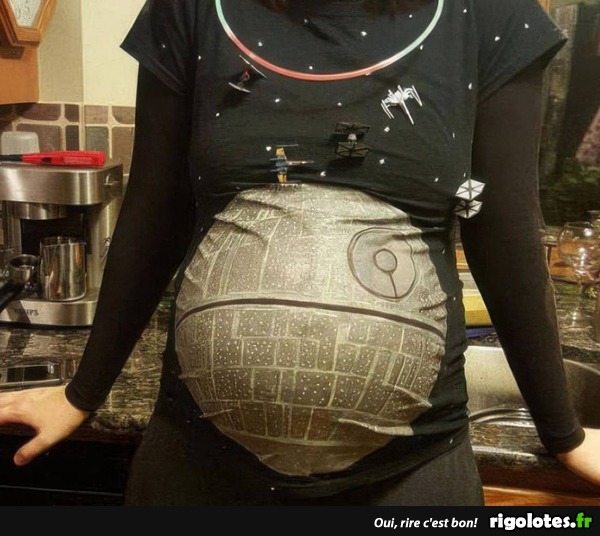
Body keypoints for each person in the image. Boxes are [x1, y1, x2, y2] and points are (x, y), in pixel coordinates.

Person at [1, 0, 599, 506]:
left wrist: (564, 433)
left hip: (410, 474)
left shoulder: (491, 15)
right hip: (198, 464)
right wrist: (83, 393)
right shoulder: (190, 9)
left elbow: (504, 233)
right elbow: (154, 215)